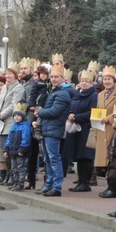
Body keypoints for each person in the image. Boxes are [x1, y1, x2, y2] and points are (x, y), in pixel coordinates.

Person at [34, 64, 71, 197]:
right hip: (48, 128)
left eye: (57, 77)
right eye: (53, 77)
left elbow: (55, 111)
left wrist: (41, 112)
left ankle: (56, 186)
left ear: (63, 78)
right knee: (48, 159)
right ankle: (48, 184)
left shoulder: (63, 93)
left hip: (54, 129)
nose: (54, 79)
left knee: (54, 158)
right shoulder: (55, 91)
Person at [94, 66, 116, 197]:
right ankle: (110, 186)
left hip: (114, 129)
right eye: (104, 79)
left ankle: (114, 188)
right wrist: (96, 130)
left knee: (113, 160)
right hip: (102, 130)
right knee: (106, 161)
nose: (106, 81)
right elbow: (98, 110)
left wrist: (109, 118)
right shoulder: (100, 95)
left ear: (114, 80)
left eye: (109, 79)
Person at [0, 62, 26, 185]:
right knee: (3, 151)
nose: (8, 76)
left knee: (10, 151)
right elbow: (0, 101)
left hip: (10, 122)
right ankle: (5, 175)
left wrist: (1, 115)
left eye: (10, 74)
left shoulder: (19, 88)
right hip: (1, 123)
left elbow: (13, 105)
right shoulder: (5, 87)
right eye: (6, 73)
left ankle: (12, 176)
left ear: (16, 75)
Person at [65, 69, 98, 192]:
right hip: (75, 129)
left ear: (91, 83)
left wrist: (77, 117)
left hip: (86, 128)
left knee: (86, 156)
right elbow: (71, 106)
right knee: (79, 156)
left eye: (87, 81)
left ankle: (86, 182)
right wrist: (70, 114)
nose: (84, 83)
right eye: (82, 81)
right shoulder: (77, 93)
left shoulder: (93, 95)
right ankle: (80, 180)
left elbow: (92, 112)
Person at [3, 102, 32, 192]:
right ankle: (16, 182)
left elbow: (25, 139)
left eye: (18, 116)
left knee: (21, 167)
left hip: (20, 151)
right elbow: (9, 139)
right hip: (12, 150)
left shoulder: (25, 127)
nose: (16, 117)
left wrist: (22, 149)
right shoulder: (13, 126)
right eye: (15, 116)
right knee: (14, 168)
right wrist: (6, 149)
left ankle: (21, 183)